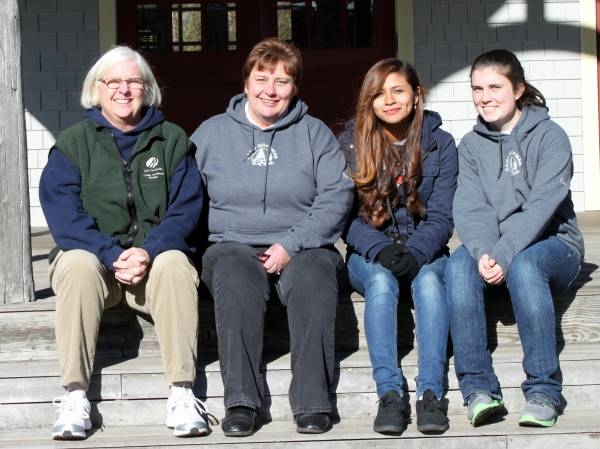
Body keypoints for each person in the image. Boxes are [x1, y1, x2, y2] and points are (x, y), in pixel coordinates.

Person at [39, 46, 210, 440]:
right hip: (98, 266)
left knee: (176, 262)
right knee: (76, 263)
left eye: (133, 81)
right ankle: (75, 395)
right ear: (96, 90)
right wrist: (112, 254)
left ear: (147, 88)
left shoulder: (172, 139)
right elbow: (64, 216)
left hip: (152, 268)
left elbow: (187, 210)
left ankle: (182, 392)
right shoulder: (73, 143)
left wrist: (148, 251)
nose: (124, 89)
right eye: (113, 81)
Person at [191, 37, 354, 437]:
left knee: (317, 274)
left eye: (282, 81)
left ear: (295, 87)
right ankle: (242, 402)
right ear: (246, 82)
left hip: (303, 245)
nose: (271, 90)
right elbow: (187, 196)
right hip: (230, 244)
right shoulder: (210, 134)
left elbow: (337, 196)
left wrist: (291, 244)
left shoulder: (316, 135)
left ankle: (313, 402)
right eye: (262, 78)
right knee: (234, 273)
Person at [446, 48, 584, 428]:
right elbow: (471, 209)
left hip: (555, 243)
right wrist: (483, 253)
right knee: (458, 267)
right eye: (477, 88)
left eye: (494, 86)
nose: (484, 96)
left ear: (518, 89)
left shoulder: (551, 137)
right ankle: (478, 389)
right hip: (497, 244)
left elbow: (542, 207)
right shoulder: (471, 146)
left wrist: (503, 254)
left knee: (525, 266)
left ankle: (543, 390)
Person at [338, 58, 458, 435]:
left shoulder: (441, 144)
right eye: (379, 93)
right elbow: (345, 218)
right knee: (381, 284)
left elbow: (442, 216)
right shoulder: (352, 142)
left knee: (427, 284)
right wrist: (381, 251)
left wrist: (418, 252)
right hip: (370, 253)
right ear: (368, 101)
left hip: (426, 250)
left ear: (416, 95)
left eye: (398, 91)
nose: (388, 100)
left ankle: (431, 395)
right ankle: (389, 393)